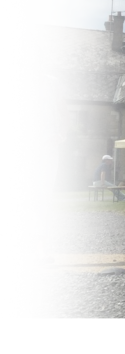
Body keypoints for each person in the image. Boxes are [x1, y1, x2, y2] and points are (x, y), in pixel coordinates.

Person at [4, 42, 71, 268]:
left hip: (46, 149)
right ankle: (16, 252)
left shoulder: (53, 85)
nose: (20, 62)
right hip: (16, 149)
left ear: (38, 61)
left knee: (43, 195)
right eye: (18, 57)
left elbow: (65, 116)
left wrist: (61, 135)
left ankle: (41, 250)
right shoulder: (7, 86)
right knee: (16, 200)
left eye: (26, 58)